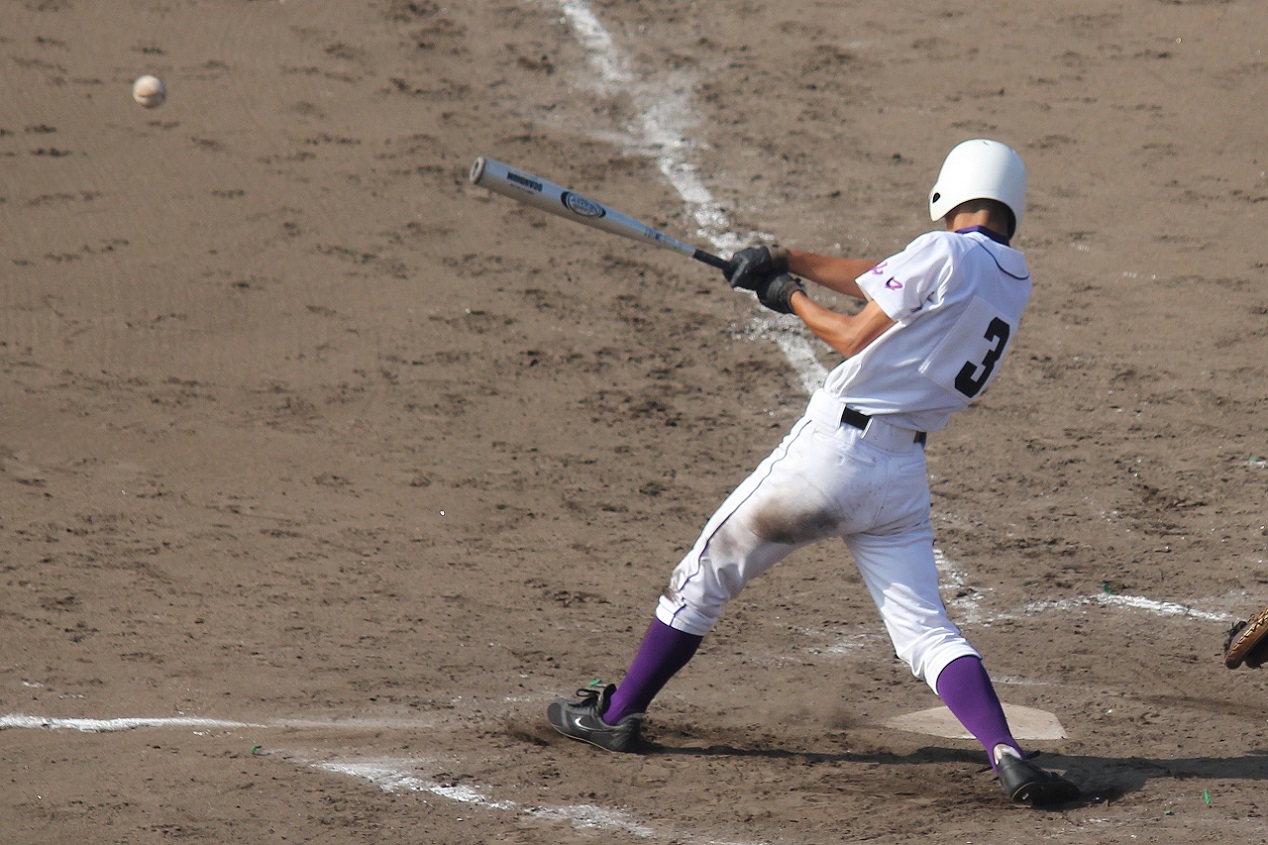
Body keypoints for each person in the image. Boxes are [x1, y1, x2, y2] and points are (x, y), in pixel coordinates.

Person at [546, 139, 1080, 807]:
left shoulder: (941, 251)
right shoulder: (1011, 275)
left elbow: (853, 334)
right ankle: (1008, 753)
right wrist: (789, 257)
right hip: (901, 479)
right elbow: (887, 276)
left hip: (831, 458)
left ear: (950, 192)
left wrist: (788, 295)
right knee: (926, 630)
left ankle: (617, 713)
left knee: (704, 574)